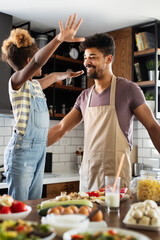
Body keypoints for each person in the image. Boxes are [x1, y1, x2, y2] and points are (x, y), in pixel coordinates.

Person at [47, 32, 160, 192]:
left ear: (108, 59)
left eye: (92, 57)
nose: (87, 62)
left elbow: (153, 127)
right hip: (87, 181)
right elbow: (61, 128)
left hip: (115, 183)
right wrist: (30, 147)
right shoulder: (84, 97)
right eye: (85, 57)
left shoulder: (129, 90)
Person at [1, 14, 85, 201]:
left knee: (34, 204)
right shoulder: (16, 83)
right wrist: (58, 39)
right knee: (20, 207)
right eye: (37, 56)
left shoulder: (35, 86)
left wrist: (68, 73)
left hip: (39, 151)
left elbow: (53, 76)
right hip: (21, 153)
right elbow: (38, 62)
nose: (42, 63)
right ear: (29, 60)